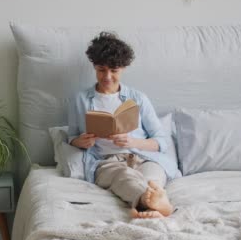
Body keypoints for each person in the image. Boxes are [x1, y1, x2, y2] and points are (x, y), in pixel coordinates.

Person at [68, 32, 180, 219]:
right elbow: (71, 138)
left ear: (123, 68)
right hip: (106, 161)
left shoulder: (138, 98)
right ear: (94, 67)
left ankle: (152, 203)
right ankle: (153, 204)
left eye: (114, 70)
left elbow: (161, 142)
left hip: (143, 157)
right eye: (101, 70)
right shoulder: (80, 99)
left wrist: (133, 142)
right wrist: (81, 141)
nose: (107, 77)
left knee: (152, 176)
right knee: (124, 177)